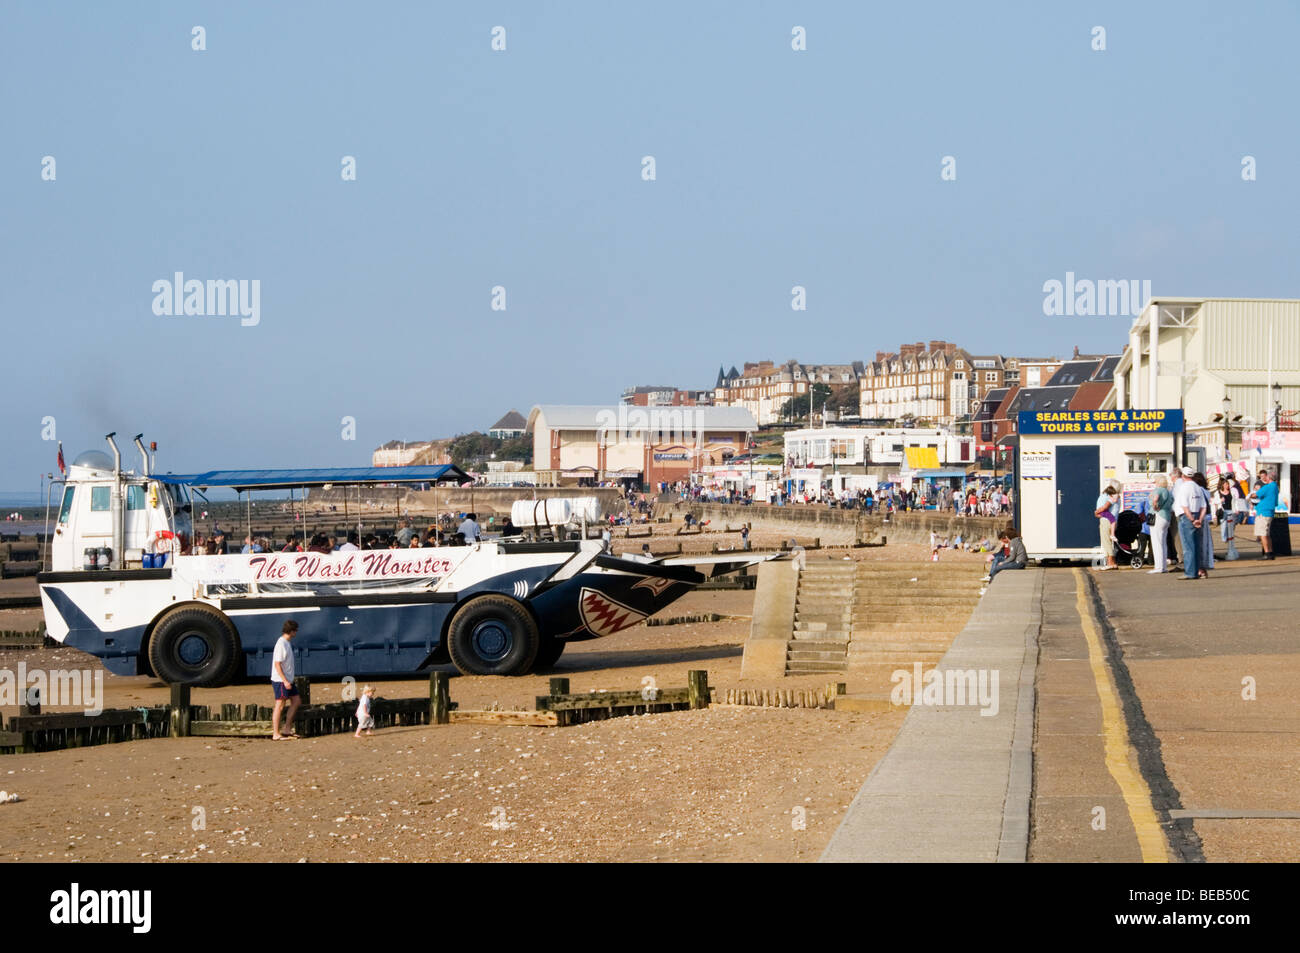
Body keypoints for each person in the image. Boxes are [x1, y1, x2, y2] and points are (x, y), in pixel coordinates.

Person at [1172, 466, 1205, 580]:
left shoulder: (1184, 487)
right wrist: (1199, 519)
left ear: (1183, 476)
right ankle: (1197, 570)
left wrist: (1192, 519)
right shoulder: (1197, 487)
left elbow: (1184, 506)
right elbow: (1203, 506)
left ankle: (1190, 572)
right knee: (1196, 545)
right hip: (1197, 515)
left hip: (1187, 517)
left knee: (1188, 546)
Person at [271, 620, 301, 740]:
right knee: (280, 705)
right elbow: (277, 664)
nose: (296, 633)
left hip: (288, 679)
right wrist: (285, 681)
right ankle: (276, 734)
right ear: (292, 631)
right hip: (280, 680)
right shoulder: (281, 644)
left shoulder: (287, 643)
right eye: (296, 631)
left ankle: (287, 729)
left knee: (296, 701)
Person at [1249, 469, 1279, 559]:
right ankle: (1270, 552)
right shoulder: (1275, 486)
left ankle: (1267, 553)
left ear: (1269, 477)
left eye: (1266, 476)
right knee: (1267, 534)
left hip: (1263, 512)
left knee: (1263, 533)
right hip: (1270, 511)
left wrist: (1251, 494)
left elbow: (1255, 495)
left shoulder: (1268, 487)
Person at [1148, 476, 1173, 574]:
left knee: (1156, 542)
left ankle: (1158, 567)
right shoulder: (1168, 492)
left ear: (1158, 482)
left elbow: (1156, 498)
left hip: (1157, 516)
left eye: (1155, 482)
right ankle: (1164, 567)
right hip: (1166, 517)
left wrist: (1155, 505)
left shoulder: (1157, 490)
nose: (1155, 484)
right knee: (1163, 542)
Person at [1094, 485, 1119, 570]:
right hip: (1112, 520)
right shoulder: (1118, 498)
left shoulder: (1109, 498)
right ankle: (1113, 563)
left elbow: (1105, 507)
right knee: (1109, 542)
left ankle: (1110, 563)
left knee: (1106, 542)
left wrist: (1097, 512)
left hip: (1106, 520)